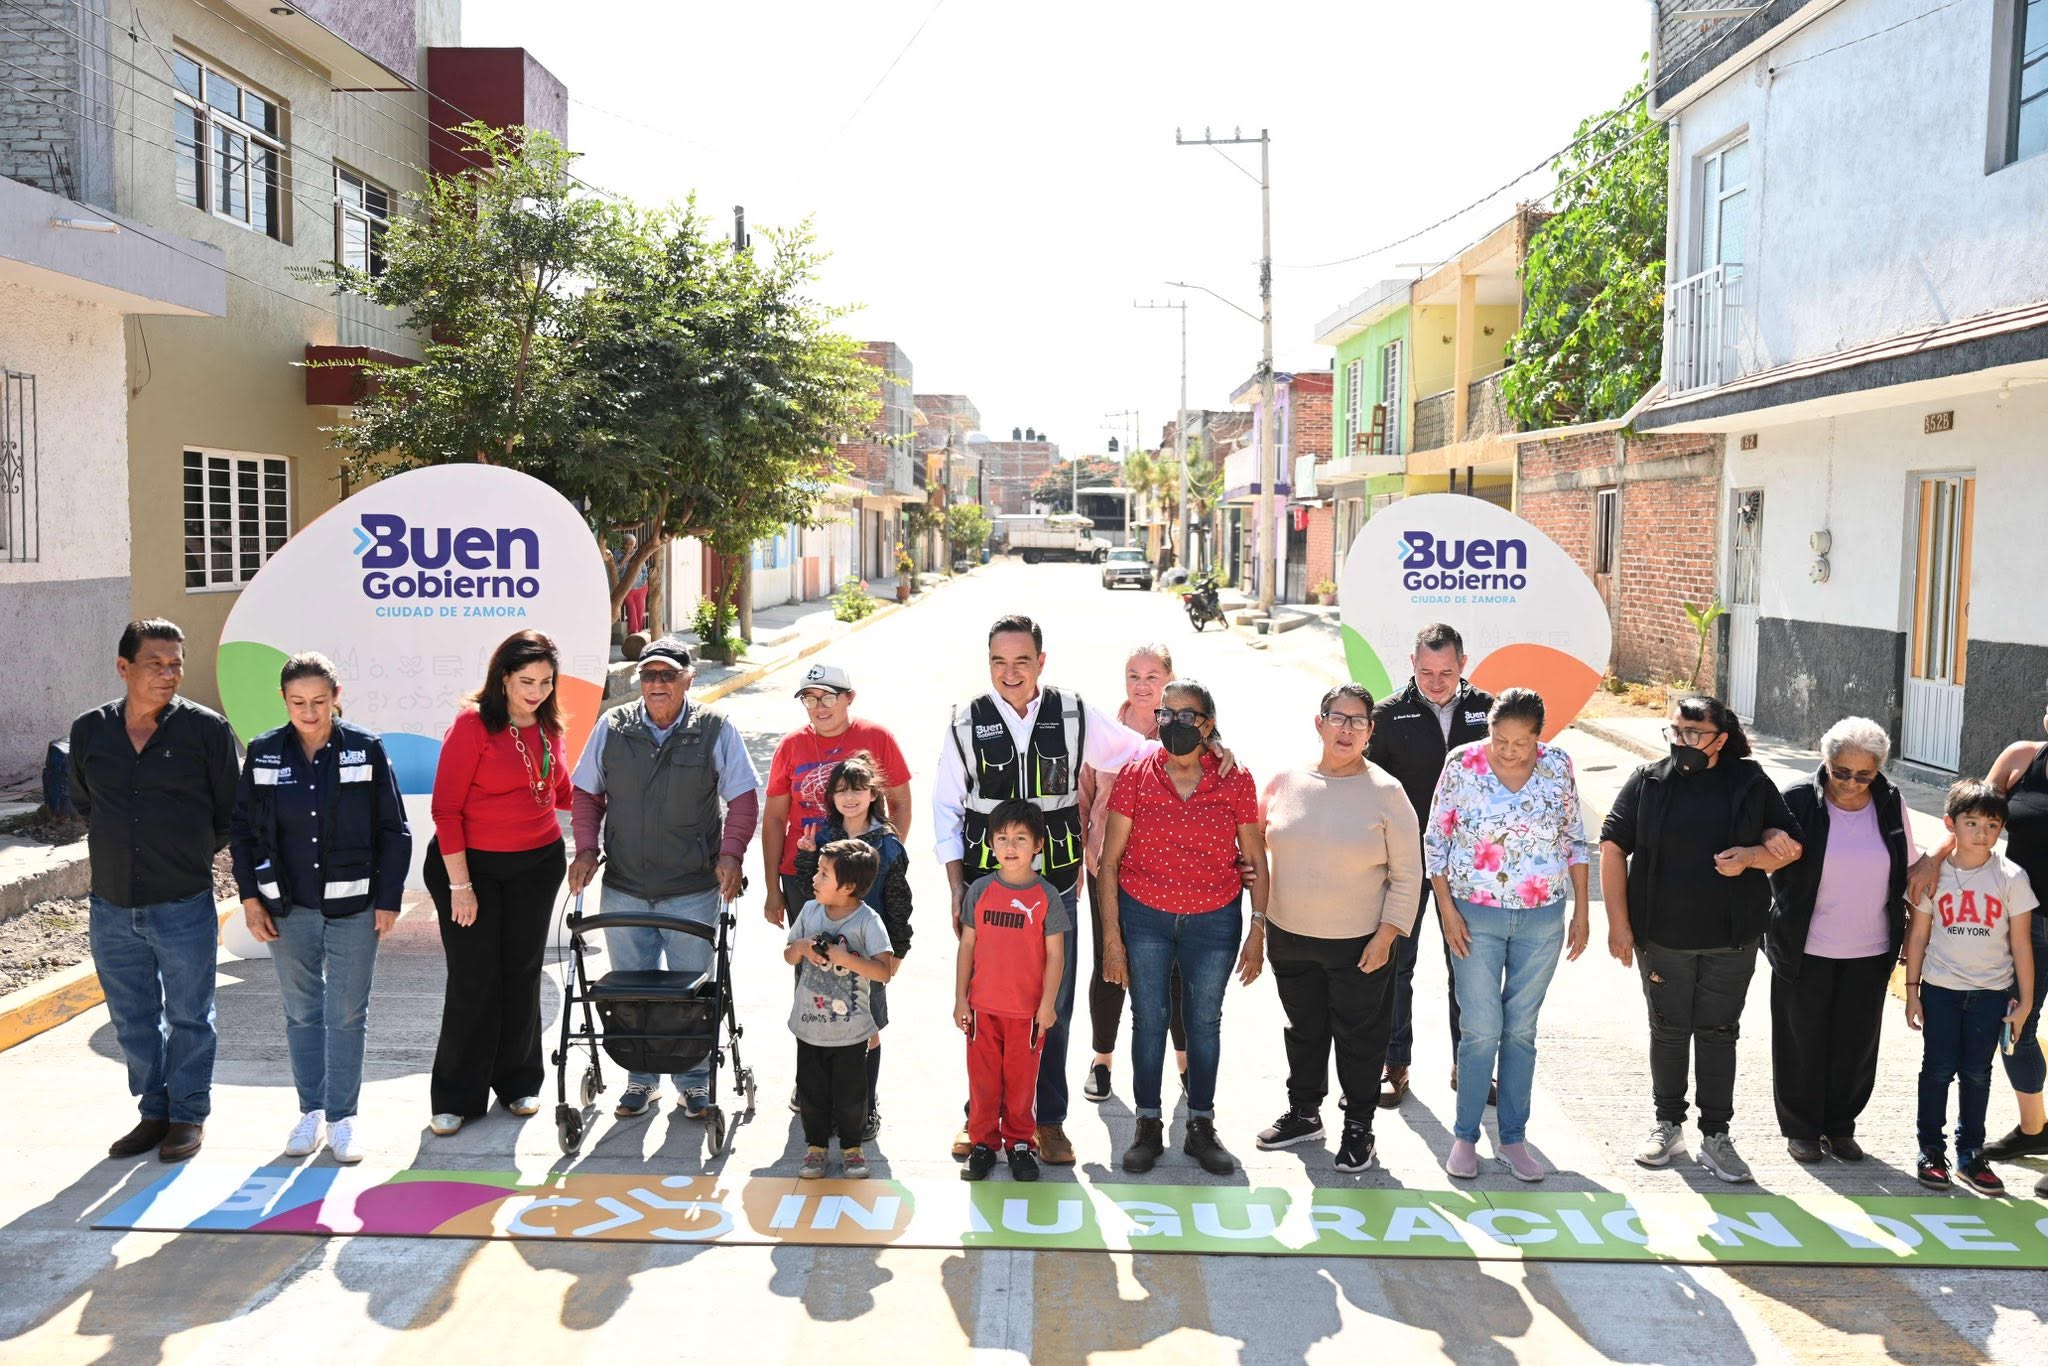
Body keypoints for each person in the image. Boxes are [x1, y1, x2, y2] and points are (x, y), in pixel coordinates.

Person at [933, 614, 1171, 1166]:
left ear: (1041, 662)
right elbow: (946, 807)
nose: (1009, 672)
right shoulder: (966, 721)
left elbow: (1138, 752)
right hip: (985, 890)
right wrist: (955, 888)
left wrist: (1207, 751)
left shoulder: (1073, 712)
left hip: (1056, 888)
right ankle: (981, 1118)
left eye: (1021, 661)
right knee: (985, 1005)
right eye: (998, 661)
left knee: (1051, 1007)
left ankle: (1048, 1122)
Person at [1600, 694, 1803, 1183]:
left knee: (1718, 1033)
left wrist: (1753, 857)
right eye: (1675, 731)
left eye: (1694, 734)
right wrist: (1619, 924)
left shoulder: (1750, 782)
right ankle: (1668, 1124)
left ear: (1720, 739)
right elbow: (1611, 847)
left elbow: (1790, 847)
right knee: (1668, 1030)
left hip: (1730, 938)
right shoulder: (1649, 781)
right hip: (1661, 935)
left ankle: (1717, 1135)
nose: (1682, 742)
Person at [230, 652, 411, 1164]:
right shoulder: (264, 753)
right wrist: (250, 899)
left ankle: (343, 1117)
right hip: (286, 909)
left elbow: (394, 831)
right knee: (302, 1013)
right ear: (283, 702)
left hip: (354, 907)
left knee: (347, 1013)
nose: (309, 713)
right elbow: (242, 833)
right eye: (297, 702)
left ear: (337, 698)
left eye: (319, 701)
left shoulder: (365, 748)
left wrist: (389, 901)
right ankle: (311, 1112)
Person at [70, 619, 239, 1163]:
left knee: (191, 1013)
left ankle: (188, 1115)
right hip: (111, 904)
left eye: (176, 664)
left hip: (183, 900)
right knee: (132, 1017)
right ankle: (154, 1111)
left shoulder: (207, 731)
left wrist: (185, 854)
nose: (170, 674)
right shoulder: (89, 731)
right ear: (124, 668)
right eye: (155, 664)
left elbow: (228, 813)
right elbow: (85, 803)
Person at [568, 637, 758, 1122]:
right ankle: (640, 1080)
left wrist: (731, 856)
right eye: (648, 675)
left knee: (691, 993)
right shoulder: (613, 727)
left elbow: (743, 799)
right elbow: (586, 793)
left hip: (692, 891)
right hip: (625, 887)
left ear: (687, 680)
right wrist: (586, 849)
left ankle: (694, 1083)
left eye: (667, 675)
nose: (656, 684)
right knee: (632, 992)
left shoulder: (716, 728)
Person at [1099, 679, 1267, 1176]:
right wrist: (1112, 937)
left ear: (1208, 725)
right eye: (1165, 716)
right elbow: (1109, 862)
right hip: (1144, 914)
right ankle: (1147, 1125)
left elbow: (1256, 857)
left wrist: (1258, 930)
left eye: (1186, 716)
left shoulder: (1236, 780)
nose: (1173, 725)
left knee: (1204, 1022)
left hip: (1214, 919)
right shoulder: (1135, 775)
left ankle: (1200, 1126)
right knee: (1149, 1019)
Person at [1423, 689, 1590, 1181]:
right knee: (1480, 1030)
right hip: (1475, 917)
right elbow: (1436, 840)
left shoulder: (1559, 766)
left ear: (1541, 737)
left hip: (1542, 918)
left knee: (1521, 1031)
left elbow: (1575, 839)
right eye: (1500, 739)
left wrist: (1580, 911)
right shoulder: (1462, 764)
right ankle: (1465, 1137)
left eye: (1522, 742)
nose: (1510, 750)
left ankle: (1514, 1139)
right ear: (1489, 730)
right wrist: (1447, 911)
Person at [1255, 683, 1422, 1174]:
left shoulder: (1388, 793)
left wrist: (1387, 935)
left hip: (1361, 944)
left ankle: (1359, 1128)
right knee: (1304, 1030)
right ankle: (1305, 1113)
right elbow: (1255, 844)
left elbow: (1408, 874)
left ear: (1371, 732)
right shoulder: (1285, 781)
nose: (1346, 729)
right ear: (1319, 722)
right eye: (1337, 717)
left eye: (1357, 721)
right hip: (1291, 935)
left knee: (1360, 1039)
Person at [425, 630, 574, 1136]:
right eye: (526, 681)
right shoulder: (473, 725)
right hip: (472, 869)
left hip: (537, 864)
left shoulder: (549, 725)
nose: (536, 691)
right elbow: (445, 809)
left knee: (523, 972)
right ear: (504, 677)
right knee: (474, 979)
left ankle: (517, 1083)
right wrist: (460, 887)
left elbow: (559, 793)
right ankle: (456, 1096)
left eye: (546, 682)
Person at [1765, 716, 1916, 1163]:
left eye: (1863, 774)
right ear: (1826, 762)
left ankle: (1840, 1126)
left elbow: (1910, 860)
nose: (1851, 782)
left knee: (1855, 1045)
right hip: (1803, 946)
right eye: (1842, 772)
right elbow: (1760, 845)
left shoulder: (1889, 802)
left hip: (1870, 949)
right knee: (1800, 1041)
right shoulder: (1796, 798)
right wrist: (1769, 835)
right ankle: (1802, 1129)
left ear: (1878, 770)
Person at [1910, 698, 2048, 1176]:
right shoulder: (2022, 759)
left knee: (1990, 1056)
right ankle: (2030, 1130)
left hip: (2018, 925)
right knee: (2010, 1036)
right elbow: (1972, 812)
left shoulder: (2009, 877)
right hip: (2018, 928)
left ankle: (1985, 1145)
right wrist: (1934, 858)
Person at [1367, 623, 1495, 1108]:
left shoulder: (1490, 710)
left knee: (1469, 967)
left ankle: (1471, 1066)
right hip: (1405, 863)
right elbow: (1368, 789)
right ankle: (1393, 1065)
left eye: (1446, 671)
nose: (1436, 682)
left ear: (1463, 663)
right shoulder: (1387, 715)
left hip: (1471, 865)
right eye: (1425, 672)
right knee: (1397, 964)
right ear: (1412, 663)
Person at [1077, 643, 1186, 1105]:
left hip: (1170, 872)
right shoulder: (1103, 732)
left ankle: (1184, 1062)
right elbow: (1082, 798)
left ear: (1169, 679)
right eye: (1134, 675)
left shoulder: (1186, 729)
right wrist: (1082, 860)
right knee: (1109, 965)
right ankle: (1102, 1060)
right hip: (1108, 867)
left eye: (1153, 675)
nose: (1143, 685)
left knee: (1176, 971)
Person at [793, 752, 914, 1136]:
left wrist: (897, 950)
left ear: (873, 793)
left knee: (868, 1027)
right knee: (823, 1025)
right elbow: (808, 891)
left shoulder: (888, 844)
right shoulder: (825, 837)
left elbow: (899, 900)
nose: (850, 798)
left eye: (858, 790)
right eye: (842, 790)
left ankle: (865, 1105)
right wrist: (805, 858)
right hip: (824, 957)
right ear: (831, 796)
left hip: (867, 951)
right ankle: (825, 1105)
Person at [954, 800, 1069, 1182]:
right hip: (983, 1010)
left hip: (1027, 1014)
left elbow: (1055, 956)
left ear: (1038, 844)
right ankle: (984, 1143)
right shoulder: (981, 890)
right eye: (1002, 838)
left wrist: (1048, 1005)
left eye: (1021, 838)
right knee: (983, 1081)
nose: (1010, 846)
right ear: (990, 842)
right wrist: (960, 1000)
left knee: (1021, 1084)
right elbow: (967, 946)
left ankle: (1020, 1143)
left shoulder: (1046, 895)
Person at [763, 662, 912, 929]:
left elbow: (900, 804)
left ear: (849, 698)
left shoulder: (877, 737)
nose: (820, 708)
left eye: (829, 698)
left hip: (861, 874)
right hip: (802, 873)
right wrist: (772, 889)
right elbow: (774, 819)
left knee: (863, 957)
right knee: (808, 957)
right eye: (810, 699)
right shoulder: (790, 746)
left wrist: (885, 859)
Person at [784, 839, 895, 1179]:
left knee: (852, 1096)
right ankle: (815, 1148)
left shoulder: (867, 921)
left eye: (823, 874)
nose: (814, 879)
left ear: (847, 887)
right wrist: (802, 947)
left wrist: (847, 959)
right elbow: (788, 954)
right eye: (818, 871)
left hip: (851, 1031)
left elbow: (883, 972)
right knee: (811, 1092)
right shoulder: (809, 911)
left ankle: (852, 1148)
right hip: (810, 1025)